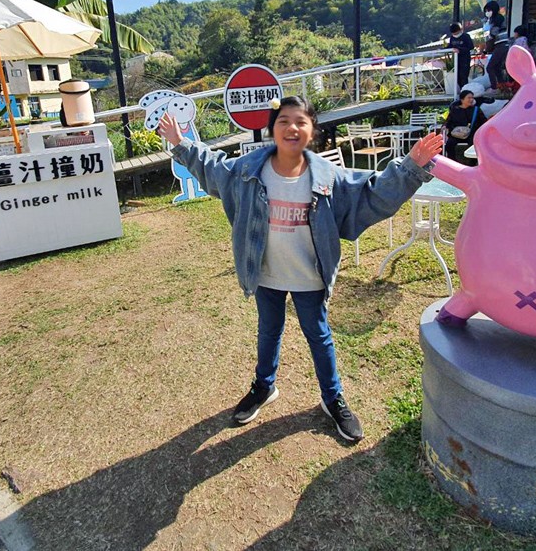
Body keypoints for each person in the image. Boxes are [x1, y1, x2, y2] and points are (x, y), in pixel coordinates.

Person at [157, 96, 443, 442]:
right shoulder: (249, 169)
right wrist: (181, 144)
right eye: (283, 121)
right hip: (265, 274)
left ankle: (332, 399)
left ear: (312, 132)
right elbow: (215, 169)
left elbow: (372, 193)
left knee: (319, 336)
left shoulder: (329, 177)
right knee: (268, 331)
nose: (292, 128)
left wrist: (410, 166)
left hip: (309, 276)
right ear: (272, 129)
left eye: (301, 122)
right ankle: (264, 387)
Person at [444, 89, 488, 163]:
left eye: (472, 98)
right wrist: (445, 126)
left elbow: (483, 121)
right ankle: (452, 162)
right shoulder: (455, 110)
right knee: (449, 144)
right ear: (462, 99)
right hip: (457, 135)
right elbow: (448, 121)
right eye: (469, 98)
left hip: (471, 134)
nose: (471, 100)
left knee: (474, 144)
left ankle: (473, 163)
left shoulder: (476, 110)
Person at [446, 22, 475, 92]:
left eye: (456, 33)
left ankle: (465, 92)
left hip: (465, 59)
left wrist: (460, 49)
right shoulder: (452, 38)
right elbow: (450, 46)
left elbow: (471, 46)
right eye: (453, 33)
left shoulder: (466, 36)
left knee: (463, 76)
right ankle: (462, 91)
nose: (455, 35)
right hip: (456, 59)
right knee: (457, 77)